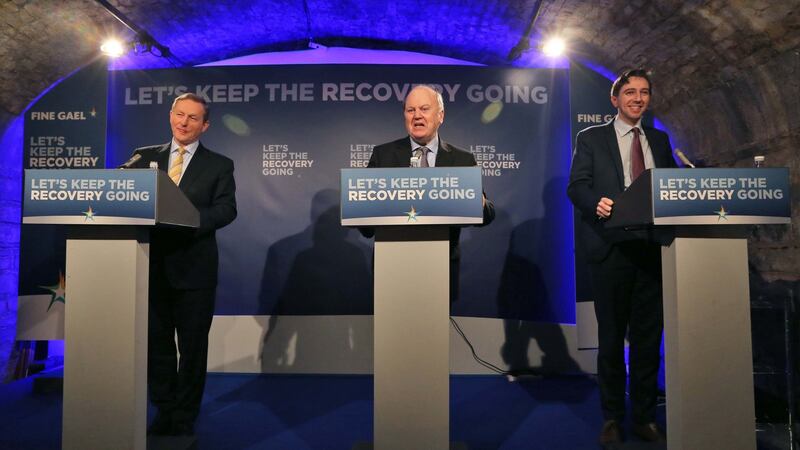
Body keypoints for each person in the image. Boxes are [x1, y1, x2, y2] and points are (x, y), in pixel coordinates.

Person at [567, 69, 676, 445]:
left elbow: (672, 188)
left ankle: (644, 418)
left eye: (644, 92)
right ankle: (612, 417)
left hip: (651, 249)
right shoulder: (591, 138)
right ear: (615, 99)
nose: (638, 98)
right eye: (630, 92)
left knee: (648, 341)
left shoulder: (660, 141)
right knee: (611, 341)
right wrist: (595, 202)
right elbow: (577, 185)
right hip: (610, 249)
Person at [128, 93, 237, 436]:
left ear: (204, 125)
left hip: (194, 270)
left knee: (191, 349)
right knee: (157, 346)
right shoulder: (143, 157)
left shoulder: (219, 164)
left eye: (193, 118)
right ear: (170, 115)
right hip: (150, 266)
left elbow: (226, 209)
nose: (184, 122)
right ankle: (162, 409)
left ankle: (185, 413)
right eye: (179, 114)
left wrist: (189, 221)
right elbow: (123, 190)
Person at [365, 84, 495, 300]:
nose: (417, 116)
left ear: (440, 115)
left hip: (441, 269)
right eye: (410, 110)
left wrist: (478, 202)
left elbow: (488, 213)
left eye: (424, 109)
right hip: (393, 269)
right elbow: (365, 224)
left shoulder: (461, 160)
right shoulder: (383, 155)